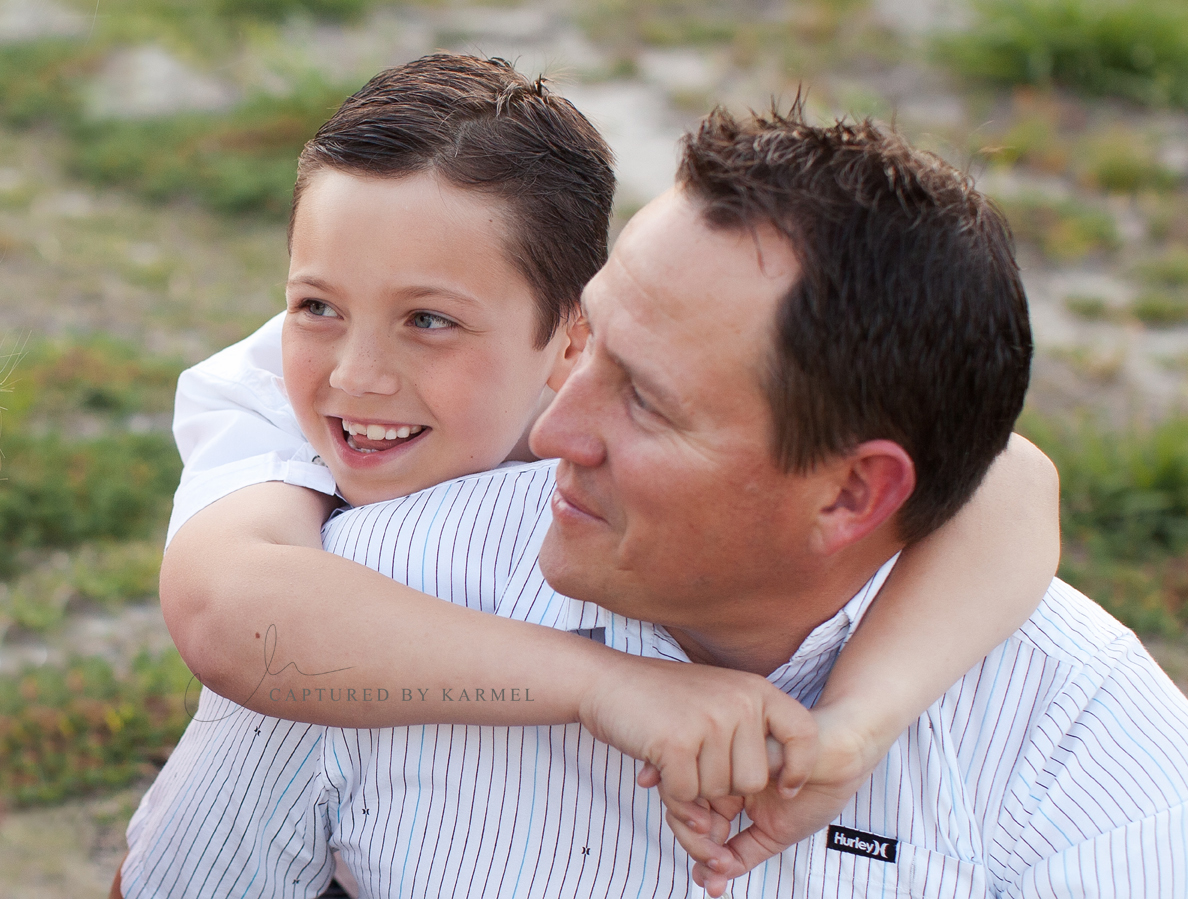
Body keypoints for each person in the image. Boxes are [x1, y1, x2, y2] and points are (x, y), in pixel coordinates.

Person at [116, 57, 1060, 898]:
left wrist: (855, 728)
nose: (356, 374)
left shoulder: (592, 384)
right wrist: (603, 683)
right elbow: (227, 613)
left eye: (429, 321)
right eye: (315, 303)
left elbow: (1005, 476)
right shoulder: (266, 393)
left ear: (569, 337)